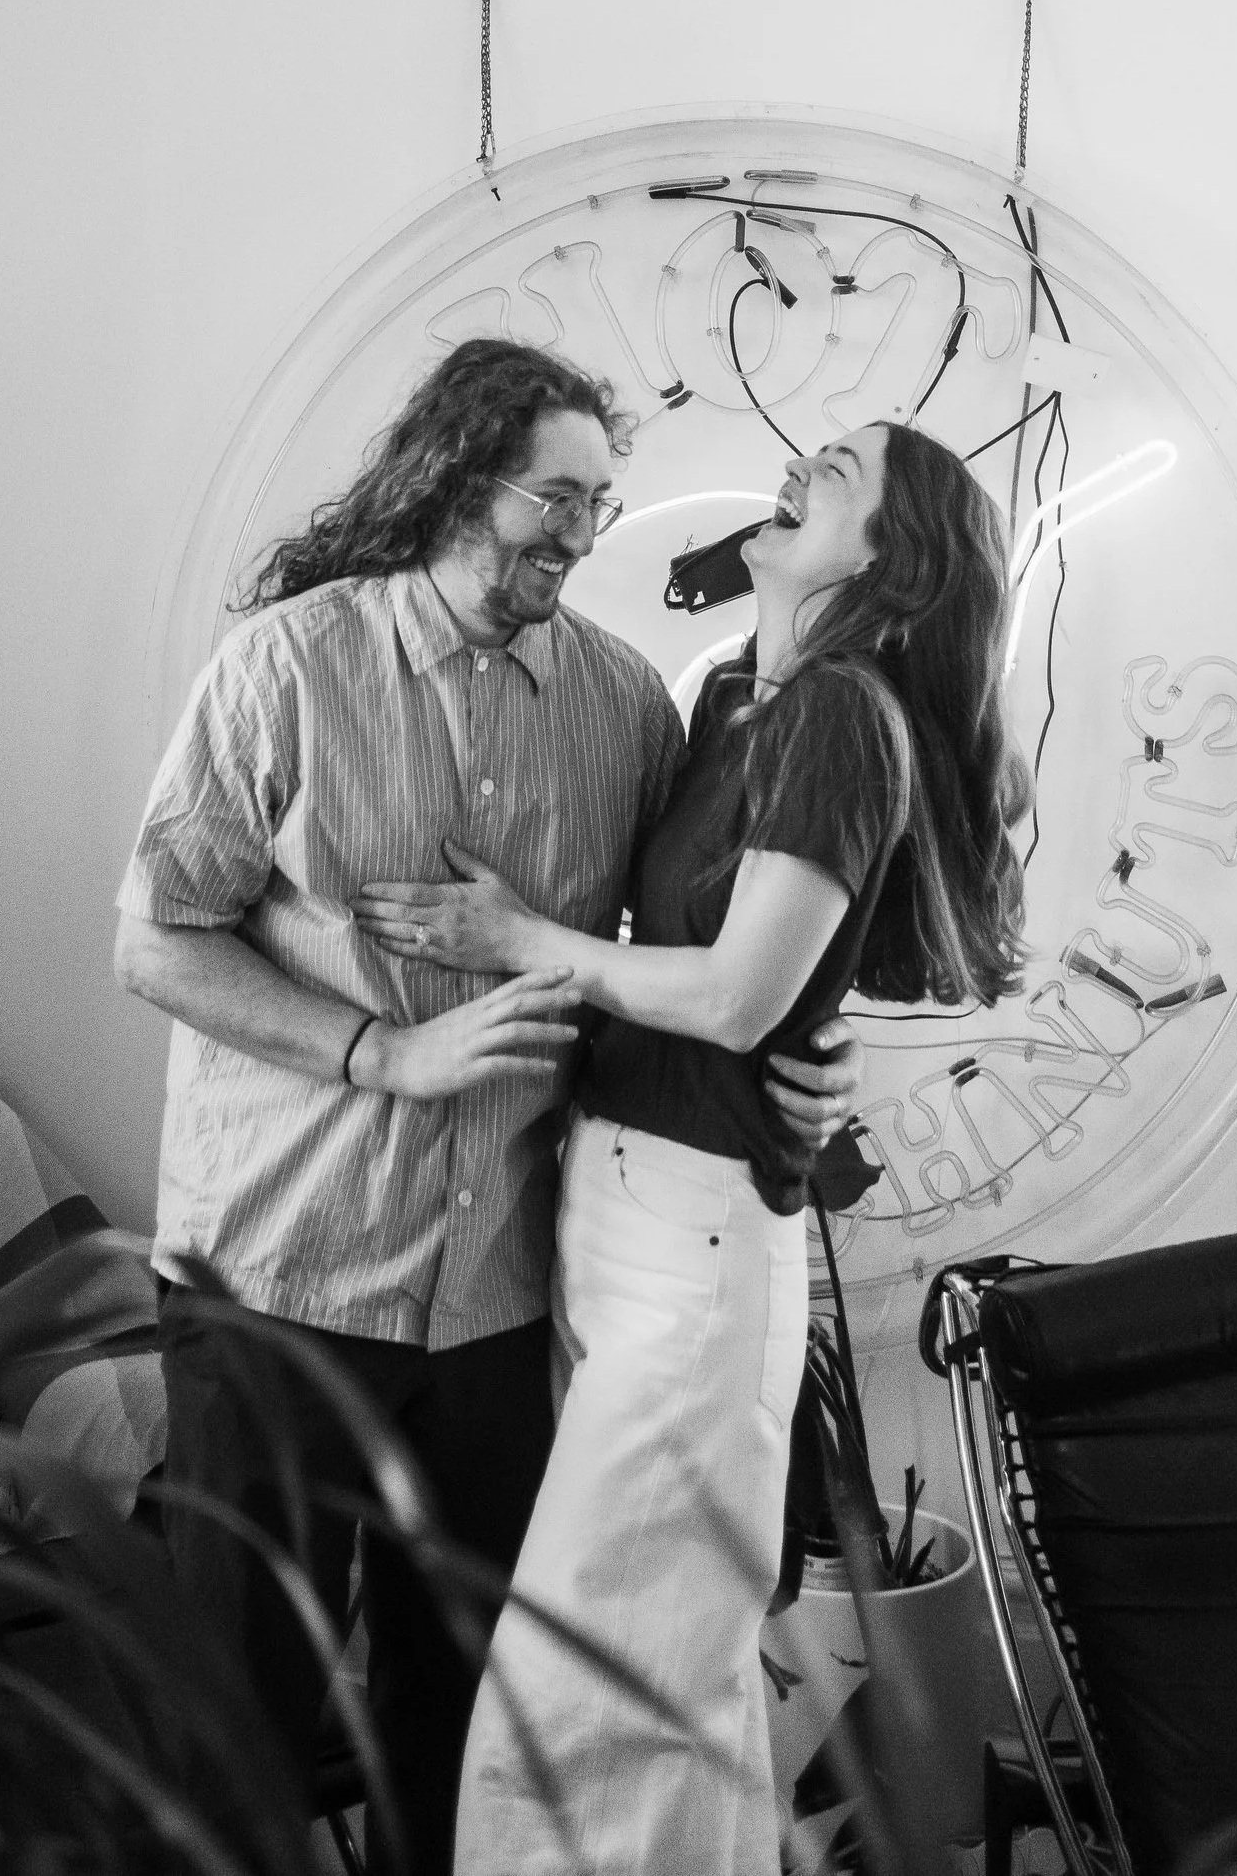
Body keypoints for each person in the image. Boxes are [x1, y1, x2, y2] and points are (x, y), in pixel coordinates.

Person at [112, 338, 861, 1876]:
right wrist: (377, 1056)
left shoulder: (624, 709)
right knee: (232, 1733)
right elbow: (152, 935)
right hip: (279, 1283)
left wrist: (804, 1064)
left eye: (605, 500)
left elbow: (671, 971)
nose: (585, 535)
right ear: (459, 474)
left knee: (458, 1739)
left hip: (499, 1312)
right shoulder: (287, 665)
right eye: (559, 496)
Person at [356, 418, 1030, 1876]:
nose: (803, 466)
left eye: (842, 471)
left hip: (698, 1245)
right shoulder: (735, 693)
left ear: (892, 561)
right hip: (610, 1219)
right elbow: (756, 982)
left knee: (579, 1695)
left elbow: (734, 993)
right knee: (669, 1692)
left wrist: (523, 942)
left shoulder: (843, 713)